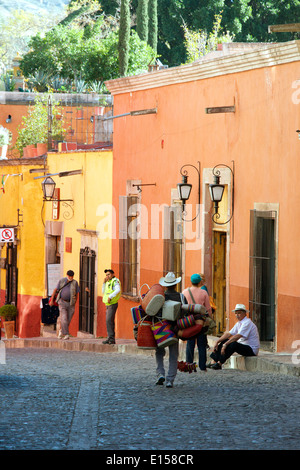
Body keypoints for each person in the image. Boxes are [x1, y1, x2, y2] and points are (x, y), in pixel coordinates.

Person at [209, 303, 260, 370]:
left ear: (245, 313)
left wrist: (225, 345)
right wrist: (217, 341)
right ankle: (213, 361)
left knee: (233, 344)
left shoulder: (247, 323)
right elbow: (229, 334)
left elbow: (238, 336)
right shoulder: (239, 323)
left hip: (251, 349)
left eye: (239, 313)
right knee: (225, 340)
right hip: (243, 345)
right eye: (236, 313)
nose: (237, 315)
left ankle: (219, 363)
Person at [155, 272, 182, 388]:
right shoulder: (181, 297)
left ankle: (160, 373)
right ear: (175, 285)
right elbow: (184, 312)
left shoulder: (160, 297)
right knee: (173, 355)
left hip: (161, 328)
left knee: (159, 352)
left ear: (165, 285)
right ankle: (170, 380)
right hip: (175, 329)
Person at [182, 273, 212, 372]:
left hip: (189, 321)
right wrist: (210, 319)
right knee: (201, 343)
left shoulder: (185, 292)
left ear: (191, 281)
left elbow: (182, 307)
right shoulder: (204, 293)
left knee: (190, 342)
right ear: (199, 282)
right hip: (201, 321)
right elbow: (208, 308)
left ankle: (189, 364)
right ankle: (202, 366)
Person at [49, 270, 79, 340]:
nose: (70, 277)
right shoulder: (62, 281)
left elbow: (77, 293)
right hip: (62, 302)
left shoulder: (75, 283)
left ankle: (61, 331)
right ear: (67, 275)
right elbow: (55, 290)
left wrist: (75, 301)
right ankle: (66, 334)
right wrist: (52, 299)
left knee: (68, 319)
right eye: (69, 276)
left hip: (71, 303)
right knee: (64, 318)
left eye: (72, 276)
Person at [102, 269, 121, 344]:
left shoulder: (115, 281)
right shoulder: (108, 282)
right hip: (108, 304)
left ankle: (111, 338)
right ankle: (110, 338)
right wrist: (103, 283)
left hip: (112, 304)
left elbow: (118, 290)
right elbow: (103, 292)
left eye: (109, 274)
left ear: (113, 274)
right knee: (109, 321)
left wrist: (110, 296)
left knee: (109, 320)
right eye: (106, 274)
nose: (107, 276)